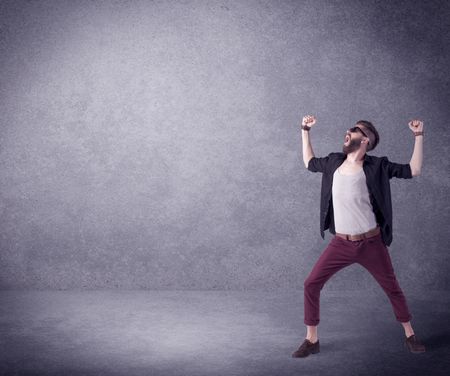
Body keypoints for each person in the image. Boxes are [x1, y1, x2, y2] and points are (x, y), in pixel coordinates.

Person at [292, 115, 426, 358]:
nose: (347, 130)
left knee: (392, 288)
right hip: (341, 243)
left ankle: (410, 334)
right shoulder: (334, 161)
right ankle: (312, 339)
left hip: (371, 243)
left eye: (353, 129)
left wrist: (418, 136)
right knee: (311, 284)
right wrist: (305, 130)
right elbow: (309, 162)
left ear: (365, 140)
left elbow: (413, 170)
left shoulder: (377, 166)